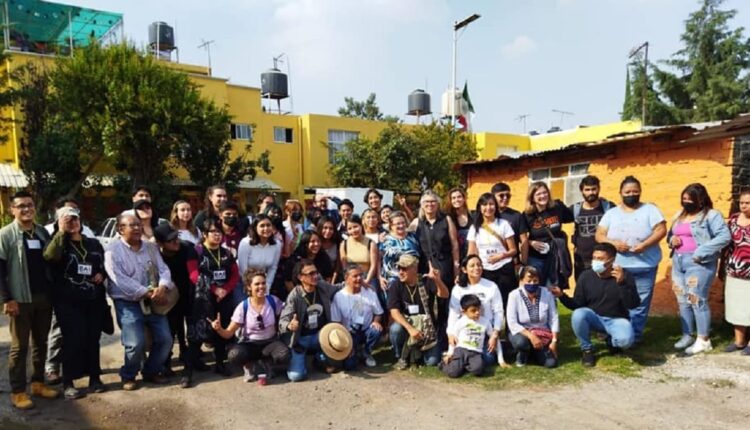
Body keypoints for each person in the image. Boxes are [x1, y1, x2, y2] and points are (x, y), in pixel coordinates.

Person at [0, 191, 59, 409]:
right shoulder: (5, 235)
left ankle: (37, 383)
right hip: (20, 299)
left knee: (41, 343)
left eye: (30, 205)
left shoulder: (42, 232)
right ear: (12, 209)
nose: (26, 209)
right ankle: (17, 391)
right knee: (19, 347)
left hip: (43, 298)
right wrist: (7, 298)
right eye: (21, 206)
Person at [104, 213, 174, 391]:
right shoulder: (112, 250)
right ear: (120, 229)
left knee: (165, 339)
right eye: (131, 225)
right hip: (127, 302)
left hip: (154, 300)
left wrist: (163, 287)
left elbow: (164, 269)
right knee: (135, 343)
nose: (137, 228)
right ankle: (128, 375)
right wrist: (147, 293)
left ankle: (151, 371)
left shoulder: (150, 247)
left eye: (138, 225)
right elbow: (120, 280)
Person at [43, 206, 108, 399]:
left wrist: (101, 274)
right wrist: (62, 232)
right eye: (66, 219)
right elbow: (49, 257)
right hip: (68, 301)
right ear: (58, 222)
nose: (72, 222)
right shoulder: (57, 242)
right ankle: (68, 382)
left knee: (93, 339)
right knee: (72, 341)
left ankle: (95, 378)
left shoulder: (93, 243)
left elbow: (104, 265)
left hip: (94, 298)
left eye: (75, 218)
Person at [595, 175, 666, 344]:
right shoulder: (611, 213)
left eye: (635, 191)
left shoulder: (650, 210)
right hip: (618, 266)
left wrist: (645, 245)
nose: (631, 194)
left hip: (644, 265)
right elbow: (599, 235)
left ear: (640, 192)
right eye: (627, 191)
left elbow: (661, 230)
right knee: (616, 301)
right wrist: (613, 243)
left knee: (639, 304)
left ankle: (634, 337)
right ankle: (614, 332)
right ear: (621, 193)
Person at [551, 243, 640, 367]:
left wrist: (622, 283)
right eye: (594, 258)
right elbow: (577, 304)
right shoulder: (586, 276)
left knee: (625, 341)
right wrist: (562, 296)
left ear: (612, 261)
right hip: (594, 318)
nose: (596, 262)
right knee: (578, 314)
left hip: (616, 319)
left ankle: (611, 342)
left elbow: (633, 304)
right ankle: (587, 350)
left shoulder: (625, 276)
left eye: (601, 259)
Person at [667, 183, 730, 354]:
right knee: (682, 299)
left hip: (699, 263)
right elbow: (671, 234)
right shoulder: (680, 214)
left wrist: (701, 251)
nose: (685, 201)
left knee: (696, 299)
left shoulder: (711, 215)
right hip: (678, 261)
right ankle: (687, 335)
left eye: (689, 199)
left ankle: (703, 340)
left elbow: (724, 236)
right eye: (684, 198)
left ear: (700, 200)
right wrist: (672, 239)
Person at [209, 270, 289, 382]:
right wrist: (219, 329)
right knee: (234, 355)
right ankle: (249, 365)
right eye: (257, 284)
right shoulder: (243, 307)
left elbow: (288, 313)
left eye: (263, 283)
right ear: (249, 287)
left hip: (270, 342)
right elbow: (228, 334)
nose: (261, 287)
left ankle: (267, 363)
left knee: (284, 354)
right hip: (250, 344)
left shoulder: (273, 301)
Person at [410, 190, 460, 351]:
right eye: (426, 202)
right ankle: (430, 340)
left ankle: (446, 339)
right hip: (425, 268)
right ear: (422, 205)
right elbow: (401, 233)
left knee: (444, 303)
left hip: (444, 265)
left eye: (433, 201)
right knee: (427, 305)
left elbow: (454, 245)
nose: (430, 205)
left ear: (438, 204)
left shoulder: (446, 220)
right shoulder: (417, 222)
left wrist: (456, 268)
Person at [190, 218, 240, 377]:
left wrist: (224, 290)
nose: (217, 235)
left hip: (224, 298)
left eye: (219, 232)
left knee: (222, 329)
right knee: (198, 333)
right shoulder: (196, 251)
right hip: (204, 299)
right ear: (205, 234)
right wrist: (213, 290)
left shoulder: (226, 252)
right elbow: (193, 274)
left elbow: (235, 275)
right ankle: (189, 368)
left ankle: (220, 363)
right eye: (213, 232)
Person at [278, 259, 342, 382]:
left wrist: (353, 282)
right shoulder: (294, 295)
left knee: (339, 362)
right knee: (296, 376)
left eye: (316, 272)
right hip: (300, 339)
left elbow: (337, 288)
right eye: (311, 274)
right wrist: (289, 326)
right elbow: (282, 321)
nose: (315, 276)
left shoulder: (322, 286)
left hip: (320, 336)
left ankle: (319, 359)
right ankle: (306, 359)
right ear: (300, 277)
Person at [388, 254, 449, 370]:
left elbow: (445, 294)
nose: (401, 272)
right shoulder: (396, 285)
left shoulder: (426, 281)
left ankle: (416, 354)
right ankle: (401, 357)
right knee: (395, 329)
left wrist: (437, 281)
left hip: (426, 328)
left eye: (404, 269)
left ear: (414, 268)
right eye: (399, 268)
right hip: (407, 326)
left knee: (432, 362)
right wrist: (410, 329)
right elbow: (394, 312)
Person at [153, 223, 199, 376]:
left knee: (193, 330)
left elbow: (194, 273)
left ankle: (192, 360)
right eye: (170, 240)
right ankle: (166, 363)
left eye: (176, 238)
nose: (175, 242)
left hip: (190, 292)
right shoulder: (156, 255)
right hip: (170, 296)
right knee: (171, 329)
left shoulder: (187, 248)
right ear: (160, 243)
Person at [447, 254, 506, 366]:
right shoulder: (458, 288)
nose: (476, 268)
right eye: (472, 266)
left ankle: (471, 359)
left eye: (479, 265)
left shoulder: (491, 286)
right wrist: (450, 334)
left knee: (488, 360)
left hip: (485, 329)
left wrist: (495, 333)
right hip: (464, 331)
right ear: (464, 269)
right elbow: (453, 314)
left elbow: (498, 312)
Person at [466, 193, 517, 310]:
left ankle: (510, 328)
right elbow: (471, 253)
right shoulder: (475, 228)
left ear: (496, 206)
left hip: (504, 268)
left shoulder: (503, 224)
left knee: (507, 302)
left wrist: (501, 256)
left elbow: (513, 250)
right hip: (484, 270)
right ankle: (491, 327)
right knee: (487, 302)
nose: (488, 208)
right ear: (479, 207)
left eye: (491, 204)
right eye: (484, 204)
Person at [521, 181, 574, 290]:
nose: (543, 196)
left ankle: (551, 307)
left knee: (551, 290)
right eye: (538, 194)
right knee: (534, 289)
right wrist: (532, 243)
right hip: (536, 258)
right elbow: (521, 237)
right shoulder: (527, 215)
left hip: (555, 257)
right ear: (532, 198)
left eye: (545, 193)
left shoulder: (557, 207)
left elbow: (575, 217)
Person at [331, 264, 384, 369]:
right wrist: (345, 341)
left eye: (361, 275)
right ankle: (354, 351)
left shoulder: (370, 292)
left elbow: (378, 312)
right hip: (348, 334)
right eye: (355, 276)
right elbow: (336, 322)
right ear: (346, 278)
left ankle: (366, 352)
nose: (359, 278)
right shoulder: (339, 296)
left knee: (376, 330)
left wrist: (376, 321)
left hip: (366, 330)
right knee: (350, 366)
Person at [506, 266, 559, 368]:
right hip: (521, 332)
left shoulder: (547, 294)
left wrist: (554, 341)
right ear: (521, 281)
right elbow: (512, 322)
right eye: (529, 281)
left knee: (551, 363)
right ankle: (523, 355)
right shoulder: (514, 295)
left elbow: (554, 318)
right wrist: (531, 336)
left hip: (542, 333)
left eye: (535, 280)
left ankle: (534, 353)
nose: (532, 284)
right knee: (522, 343)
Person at [569, 175, 614, 280]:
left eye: (594, 189)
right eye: (587, 190)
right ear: (582, 191)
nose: (591, 192)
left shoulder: (609, 207)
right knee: (583, 290)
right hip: (581, 260)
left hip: (604, 260)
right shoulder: (575, 209)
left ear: (598, 189)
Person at [440, 294, 495, 378]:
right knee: (453, 373)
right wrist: (450, 353)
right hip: (461, 349)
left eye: (478, 309)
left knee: (478, 370)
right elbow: (453, 339)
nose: (477, 313)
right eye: (473, 310)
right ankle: (443, 364)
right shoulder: (461, 322)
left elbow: (492, 335)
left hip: (476, 352)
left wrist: (493, 338)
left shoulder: (485, 322)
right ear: (464, 312)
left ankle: (463, 365)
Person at [723, 190, 750, 355]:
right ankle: (739, 341)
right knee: (736, 307)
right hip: (734, 270)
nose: (744, 206)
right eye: (742, 202)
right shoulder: (733, 220)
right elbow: (726, 245)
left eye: (747, 203)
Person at [237, 215, 283, 293]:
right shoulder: (245, 243)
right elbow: (242, 270)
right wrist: (251, 287)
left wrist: (267, 286)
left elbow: (273, 267)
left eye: (268, 225)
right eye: (262, 226)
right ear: (255, 228)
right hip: (243, 282)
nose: (266, 228)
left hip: (261, 283)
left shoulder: (277, 244)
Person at [379, 211, 421, 291]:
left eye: (403, 222)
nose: (401, 225)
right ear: (391, 225)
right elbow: (378, 260)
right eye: (397, 224)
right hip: (391, 281)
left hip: (412, 279)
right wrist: (379, 277)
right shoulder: (385, 239)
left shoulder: (413, 237)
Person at [491, 182, 528, 261]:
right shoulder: (488, 215)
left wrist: (524, 263)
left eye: (508, 196)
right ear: (493, 197)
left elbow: (524, 240)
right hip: (491, 261)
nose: (505, 198)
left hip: (512, 261)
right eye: (501, 195)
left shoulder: (516, 215)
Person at [340, 215, 379, 288]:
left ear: (361, 226)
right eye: (350, 228)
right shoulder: (343, 244)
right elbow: (344, 267)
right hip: (351, 278)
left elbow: (373, 266)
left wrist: (366, 281)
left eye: (355, 227)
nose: (353, 230)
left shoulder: (371, 243)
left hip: (368, 278)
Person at [445, 187, 473, 262]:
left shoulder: (473, 215)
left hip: (472, 255)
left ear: (464, 198)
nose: (456, 200)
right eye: (453, 198)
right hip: (454, 257)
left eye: (459, 197)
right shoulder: (447, 217)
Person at [318, 216, 342, 282]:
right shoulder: (315, 242)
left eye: (331, 228)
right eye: (325, 228)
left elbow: (338, 265)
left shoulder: (337, 242)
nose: (328, 231)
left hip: (333, 278)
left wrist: (332, 281)